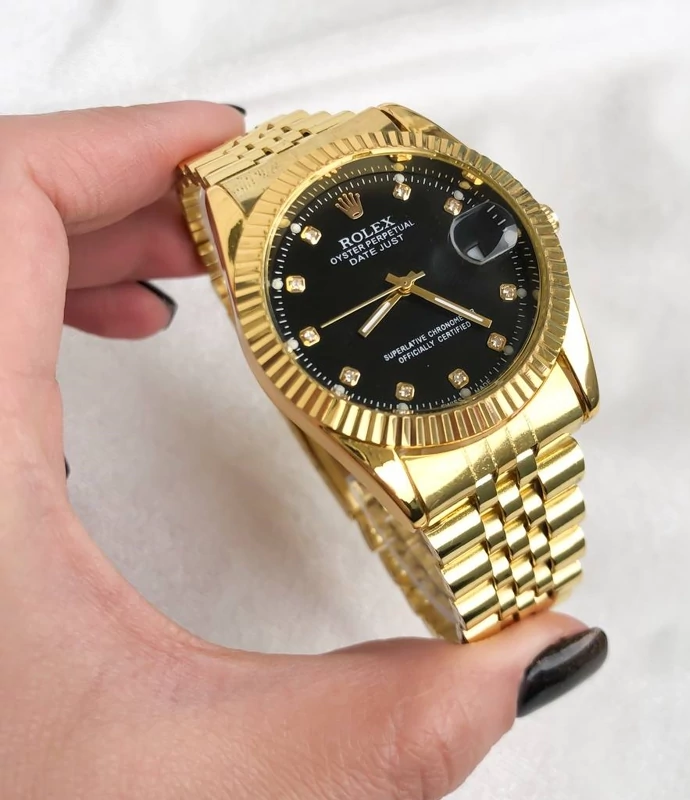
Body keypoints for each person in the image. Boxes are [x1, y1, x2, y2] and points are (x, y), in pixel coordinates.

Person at [0, 101, 607, 799]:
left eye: (408, 281)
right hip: (405, 433)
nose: (403, 284)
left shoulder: (401, 136)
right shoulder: (277, 297)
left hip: (507, 368)